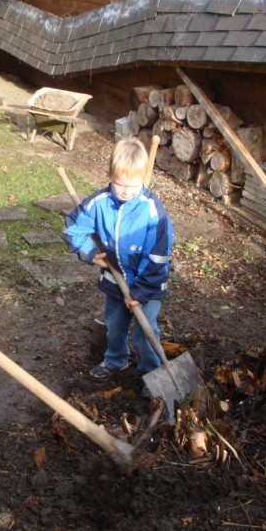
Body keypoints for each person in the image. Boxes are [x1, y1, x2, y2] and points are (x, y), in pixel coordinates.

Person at [63, 138, 173, 390]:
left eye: (133, 186)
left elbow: (157, 257)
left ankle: (152, 372)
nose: (125, 191)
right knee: (114, 326)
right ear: (108, 175)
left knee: (145, 334)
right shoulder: (99, 203)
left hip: (148, 284)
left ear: (145, 178)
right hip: (115, 279)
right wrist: (90, 253)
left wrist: (141, 292)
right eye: (119, 183)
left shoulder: (153, 212)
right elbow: (72, 229)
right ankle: (115, 360)